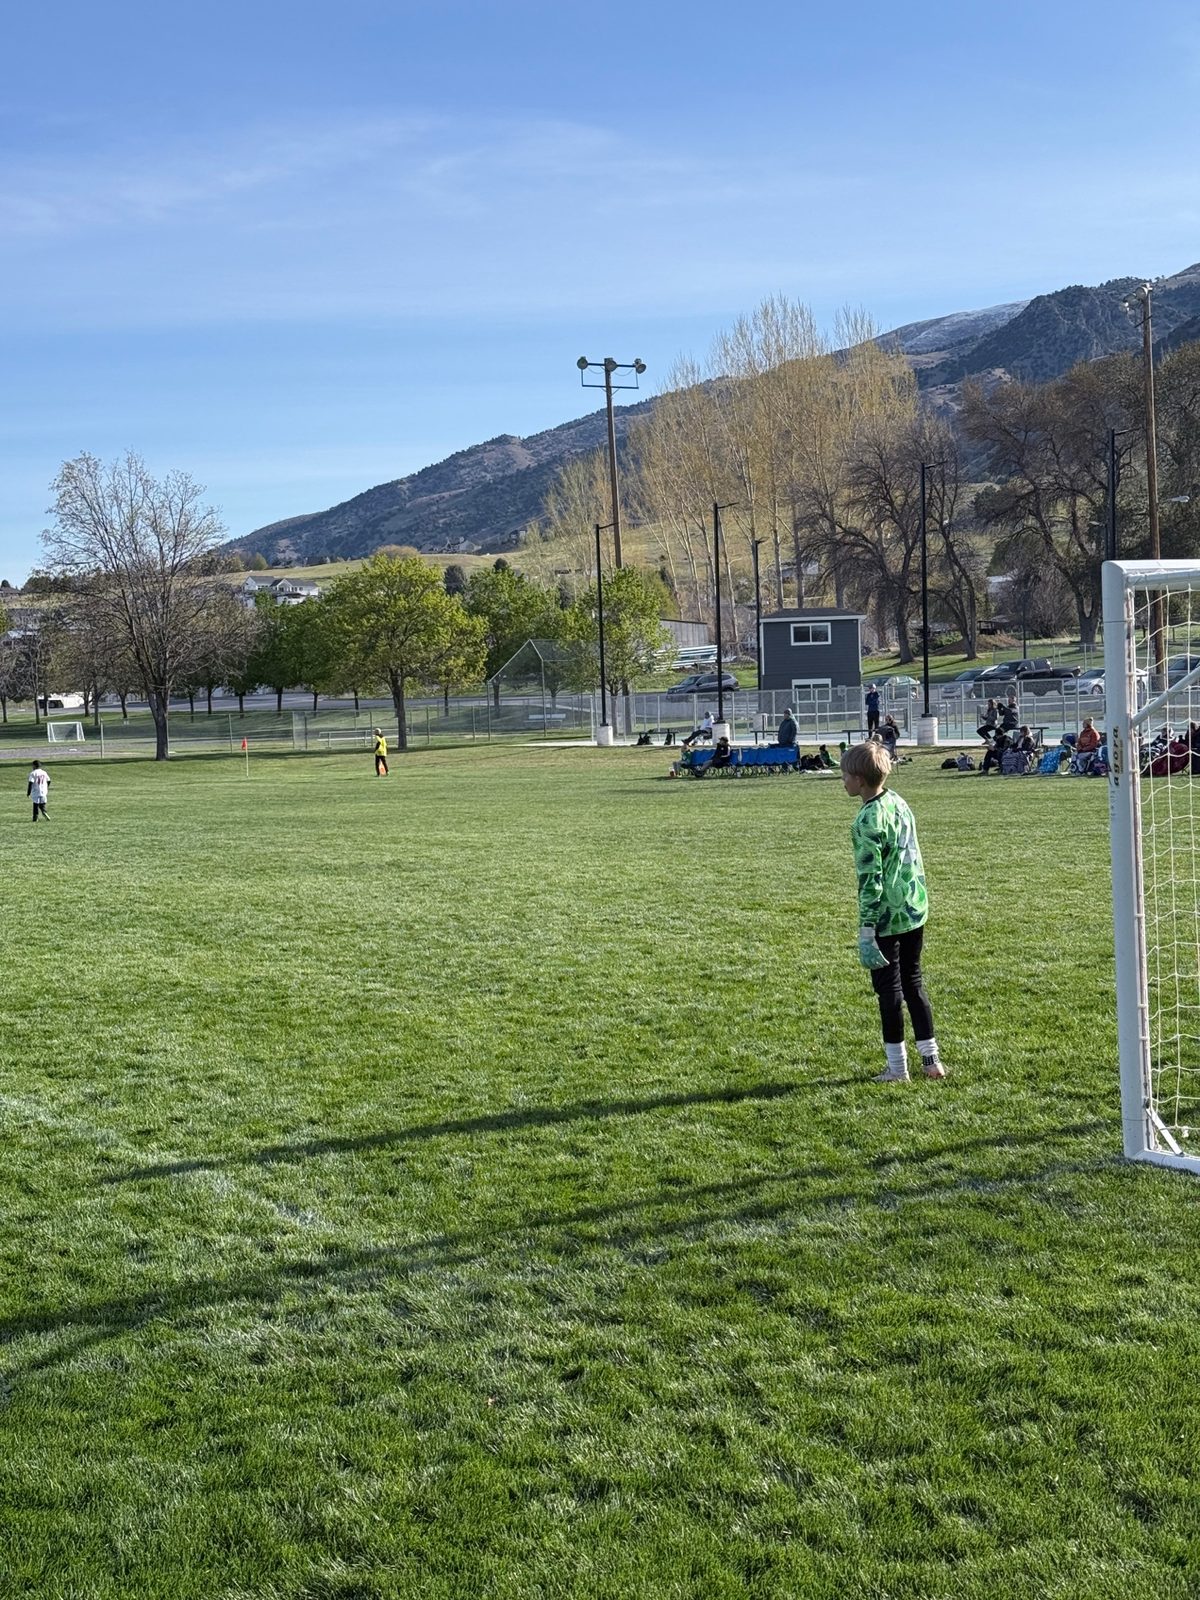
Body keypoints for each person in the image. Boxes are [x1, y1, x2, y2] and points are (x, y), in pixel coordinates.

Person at [840, 741, 944, 1083]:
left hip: (887, 916)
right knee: (914, 982)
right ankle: (931, 1062)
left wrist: (867, 929)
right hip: (914, 906)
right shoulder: (898, 801)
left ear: (859, 779)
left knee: (889, 992)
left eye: (845, 775)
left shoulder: (866, 820)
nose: (843, 781)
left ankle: (897, 1069)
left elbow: (870, 880)